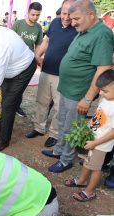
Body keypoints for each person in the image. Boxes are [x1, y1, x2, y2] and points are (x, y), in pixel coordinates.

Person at [42, 0, 114, 173]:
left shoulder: (102, 34)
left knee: (71, 127)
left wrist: (88, 98)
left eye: (76, 18)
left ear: (91, 15)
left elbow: (102, 69)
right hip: (67, 89)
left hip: (79, 93)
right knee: (62, 122)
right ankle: (59, 150)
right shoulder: (84, 30)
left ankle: (66, 159)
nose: (72, 22)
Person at [26, 0, 78, 148]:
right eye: (64, 13)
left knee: (58, 106)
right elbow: (46, 41)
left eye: (70, 14)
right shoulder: (54, 23)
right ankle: (38, 128)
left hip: (63, 75)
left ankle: (54, 133)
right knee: (41, 101)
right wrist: (37, 55)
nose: (66, 17)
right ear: (60, 11)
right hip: (46, 69)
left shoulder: (77, 28)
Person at [64, 70, 114, 202]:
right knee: (87, 161)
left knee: (95, 169)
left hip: (100, 145)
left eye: (105, 91)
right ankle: (81, 180)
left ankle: (90, 192)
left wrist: (95, 143)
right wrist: (88, 127)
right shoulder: (106, 100)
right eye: (100, 90)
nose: (101, 93)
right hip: (93, 139)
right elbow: (98, 117)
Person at [11, 2, 43, 117]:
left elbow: (39, 45)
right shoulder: (18, 24)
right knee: (11, 86)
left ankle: (16, 106)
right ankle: (8, 106)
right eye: (33, 14)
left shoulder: (38, 28)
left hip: (28, 63)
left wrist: (37, 57)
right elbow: (9, 41)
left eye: (37, 15)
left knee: (20, 87)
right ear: (28, 13)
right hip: (14, 61)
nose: (35, 17)